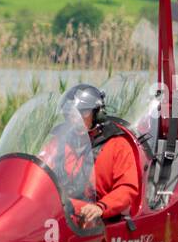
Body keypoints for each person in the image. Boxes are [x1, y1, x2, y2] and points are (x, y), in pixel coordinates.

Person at [59, 84, 142, 227]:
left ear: (98, 115)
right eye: (71, 114)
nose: (76, 119)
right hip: (62, 213)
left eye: (83, 113)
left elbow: (127, 188)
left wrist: (100, 207)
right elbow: (40, 172)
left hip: (99, 221)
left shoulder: (117, 145)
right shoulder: (59, 143)